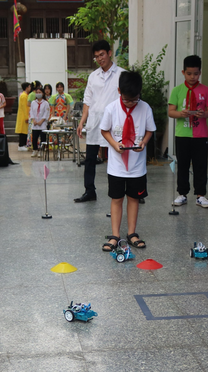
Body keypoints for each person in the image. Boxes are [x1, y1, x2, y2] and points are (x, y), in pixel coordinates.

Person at [99, 71, 155, 251]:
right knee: (116, 199)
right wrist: (115, 144)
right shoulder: (111, 108)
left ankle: (132, 233)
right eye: (127, 100)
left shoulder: (145, 108)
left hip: (137, 165)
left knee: (134, 198)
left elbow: (150, 130)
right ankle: (115, 235)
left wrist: (143, 142)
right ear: (119, 91)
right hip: (116, 166)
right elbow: (104, 130)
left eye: (135, 99)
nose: (131, 103)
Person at [76, 40, 125, 202]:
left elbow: (128, 99)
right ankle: (89, 191)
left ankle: (125, 191)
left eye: (102, 54)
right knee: (90, 158)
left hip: (115, 123)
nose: (99, 59)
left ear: (109, 53)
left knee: (117, 158)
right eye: (96, 56)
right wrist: (82, 122)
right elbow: (87, 101)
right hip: (95, 123)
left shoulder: (122, 74)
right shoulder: (93, 76)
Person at [168, 55, 208, 208]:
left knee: (200, 165)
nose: (192, 77)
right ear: (183, 72)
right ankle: (182, 194)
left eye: (195, 74)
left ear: (200, 72)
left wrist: (203, 114)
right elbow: (170, 111)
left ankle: (201, 195)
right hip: (182, 134)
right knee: (183, 165)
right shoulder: (177, 90)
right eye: (189, 74)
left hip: (200, 134)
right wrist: (181, 114)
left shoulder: (205, 90)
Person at [29, 87, 50, 158]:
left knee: (43, 138)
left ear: (43, 93)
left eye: (39, 92)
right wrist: (34, 120)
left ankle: (41, 150)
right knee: (34, 138)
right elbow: (31, 112)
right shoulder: (33, 102)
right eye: (37, 92)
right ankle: (35, 150)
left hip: (42, 123)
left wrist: (41, 121)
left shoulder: (45, 103)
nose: (38, 94)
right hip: (35, 123)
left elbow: (46, 113)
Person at [15, 82, 32, 150]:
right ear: (27, 88)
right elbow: (25, 107)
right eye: (29, 87)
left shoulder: (24, 95)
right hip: (23, 115)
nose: (30, 88)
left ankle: (23, 145)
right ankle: (21, 145)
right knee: (23, 131)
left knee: (24, 130)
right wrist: (26, 117)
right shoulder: (24, 96)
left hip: (23, 115)